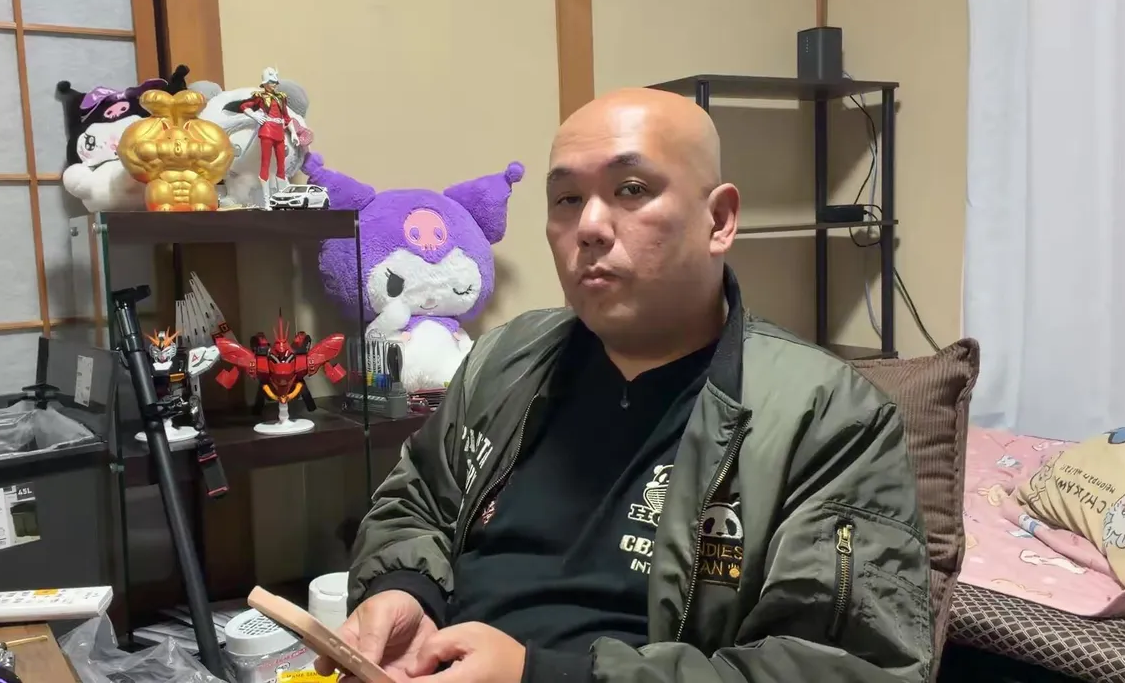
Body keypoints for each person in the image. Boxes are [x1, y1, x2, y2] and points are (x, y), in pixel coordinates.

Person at [316, 88, 933, 683]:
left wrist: (543, 676)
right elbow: (418, 498)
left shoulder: (829, 416)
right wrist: (405, 589)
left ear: (719, 220)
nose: (589, 225)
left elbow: (846, 667)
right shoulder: (504, 358)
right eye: (566, 198)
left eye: (631, 189)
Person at [239, 67, 308, 197]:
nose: (274, 84)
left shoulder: (281, 97)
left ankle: (281, 195)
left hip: (279, 131)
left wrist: (293, 133)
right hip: (267, 130)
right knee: (265, 163)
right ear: (265, 83)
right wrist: (255, 116)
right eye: (271, 82)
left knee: (281, 164)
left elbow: (286, 117)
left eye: (275, 82)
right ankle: (266, 198)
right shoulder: (260, 97)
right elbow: (244, 106)